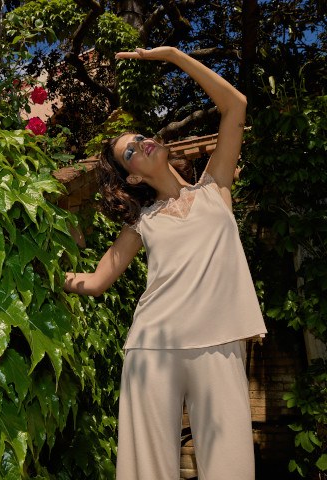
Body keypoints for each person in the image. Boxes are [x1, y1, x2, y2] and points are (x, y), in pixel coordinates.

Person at [63, 46, 267, 480]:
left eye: (139, 137)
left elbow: (235, 106)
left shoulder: (215, 188)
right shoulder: (141, 222)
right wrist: (43, 273)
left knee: (231, 467)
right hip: (153, 346)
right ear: (133, 176)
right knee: (146, 470)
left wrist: (174, 56)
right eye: (130, 152)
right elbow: (96, 281)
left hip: (220, 340)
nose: (141, 144)